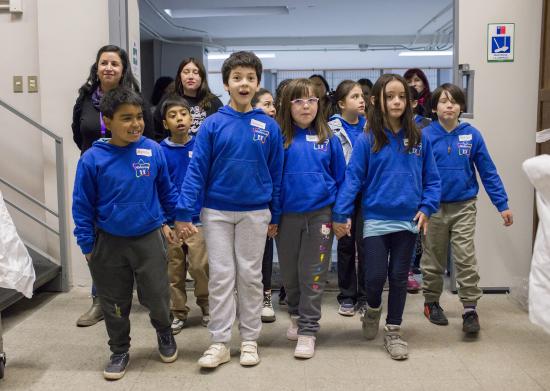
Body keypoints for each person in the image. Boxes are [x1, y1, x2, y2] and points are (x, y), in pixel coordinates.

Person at [174, 51, 284, 369]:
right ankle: (220, 342)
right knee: (221, 277)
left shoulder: (269, 127)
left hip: (255, 212)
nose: (244, 83)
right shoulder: (211, 125)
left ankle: (249, 340)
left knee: (250, 276)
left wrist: (275, 214)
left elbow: (276, 174)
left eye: (250, 78)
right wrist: (184, 211)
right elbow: (197, 172)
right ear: (226, 84)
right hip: (216, 212)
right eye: (237, 78)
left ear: (258, 83)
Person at [72, 87, 179, 380]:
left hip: (148, 237)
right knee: (114, 301)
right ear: (107, 120)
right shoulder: (93, 158)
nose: (136, 124)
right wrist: (86, 243)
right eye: (126, 118)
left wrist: (168, 221)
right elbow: (82, 204)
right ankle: (119, 349)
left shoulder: (152, 150)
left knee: (157, 295)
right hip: (108, 242)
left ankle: (164, 331)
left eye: (139, 117)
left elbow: (166, 191)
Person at [332, 74, 441, 360]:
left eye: (401, 96)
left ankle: (393, 330)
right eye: (390, 96)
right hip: (376, 219)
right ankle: (373, 309)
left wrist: (427, 207)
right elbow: (353, 179)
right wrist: (340, 213)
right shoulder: (368, 139)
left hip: (408, 220)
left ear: (409, 101)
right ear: (377, 100)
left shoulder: (419, 137)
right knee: (376, 276)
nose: (396, 101)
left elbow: (432, 180)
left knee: (399, 277)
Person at [71, 44, 155, 328]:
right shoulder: (84, 99)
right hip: (96, 173)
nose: (108, 68)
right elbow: (77, 133)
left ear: (123, 69)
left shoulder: (135, 100)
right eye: (104, 63)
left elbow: (148, 137)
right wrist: (97, 159)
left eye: (114, 64)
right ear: (97, 67)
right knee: (98, 241)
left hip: (131, 174)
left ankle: (144, 300)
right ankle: (101, 301)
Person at [421, 83, 513, 334]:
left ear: (462, 107)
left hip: (464, 206)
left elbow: (488, 171)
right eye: (443, 101)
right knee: (433, 259)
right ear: (434, 107)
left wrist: (501, 204)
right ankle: (431, 303)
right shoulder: (425, 136)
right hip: (433, 207)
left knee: (465, 257)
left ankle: (470, 309)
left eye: (454, 101)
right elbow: (415, 173)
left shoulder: (472, 135)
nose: (449, 105)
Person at [274, 78, 346, 359]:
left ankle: (308, 329)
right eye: (298, 101)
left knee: (313, 274)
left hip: (321, 217)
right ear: (287, 105)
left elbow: (342, 180)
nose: (306, 106)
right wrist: (274, 217)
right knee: (290, 275)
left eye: (312, 100)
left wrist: (340, 215)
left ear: (319, 104)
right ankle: (294, 314)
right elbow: (273, 181)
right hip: (286, 218)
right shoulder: (279, 139)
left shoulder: (329, 139)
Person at [159, 94, 210, 334]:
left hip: (197, 220)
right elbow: (155, 188)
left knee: (200, 267)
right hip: (171, 223)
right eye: (172, 115)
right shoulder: (159, 151)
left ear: (191, 119)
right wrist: (163, 222)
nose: (179, 119)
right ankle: (178, 312)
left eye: (183, 114)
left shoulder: (201, 146)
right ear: (164, 123)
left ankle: (207, 305)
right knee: (174, 272)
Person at [327, 80, 368, 317]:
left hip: (366, 195)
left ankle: (364, 295)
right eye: (354, 97)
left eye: (361, 96)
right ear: (342, 103)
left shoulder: (370, 126)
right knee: (345, 245)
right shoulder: (330, 128)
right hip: (342, 195)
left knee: (365, 246)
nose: (361, 100)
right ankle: (347, 296)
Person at [252, 88, 277, 323]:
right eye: (267, 104)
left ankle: (266, 296)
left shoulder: (275, 132)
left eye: (273, 104)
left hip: (268, 201)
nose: (272, 109)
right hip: (244, 203)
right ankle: (247, 298)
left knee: (265, 251)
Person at [154, 58, 223, 140]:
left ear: (202, 77)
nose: (190, 77)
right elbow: (156, 131)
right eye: (186, 72)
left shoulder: (214, 102)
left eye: (195, 72)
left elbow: (221, 133)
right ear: (180, 76)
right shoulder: (169, 100)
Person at [406, 86, 432, 293]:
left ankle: (408, 271)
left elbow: (431, 172)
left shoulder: (425, 129)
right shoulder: (375, 132)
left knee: (414, 237)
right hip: (387, 201)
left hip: (419, 191)